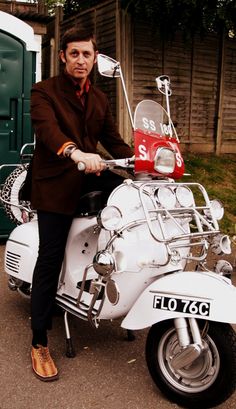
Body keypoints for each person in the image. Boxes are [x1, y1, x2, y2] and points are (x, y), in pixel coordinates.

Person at [29, 27, 133, 382]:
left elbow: (115, 143)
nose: (81, 60)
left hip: (88, 175)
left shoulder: (100, 99)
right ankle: (39, 340)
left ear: (93, 57)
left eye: (87, 54)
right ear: (63, 57)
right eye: (74, 54)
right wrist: (74, 151)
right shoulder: (44, 92)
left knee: (131, 200)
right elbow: (48, 131)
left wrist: (146, 162)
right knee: (50, 256)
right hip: (56, 181)